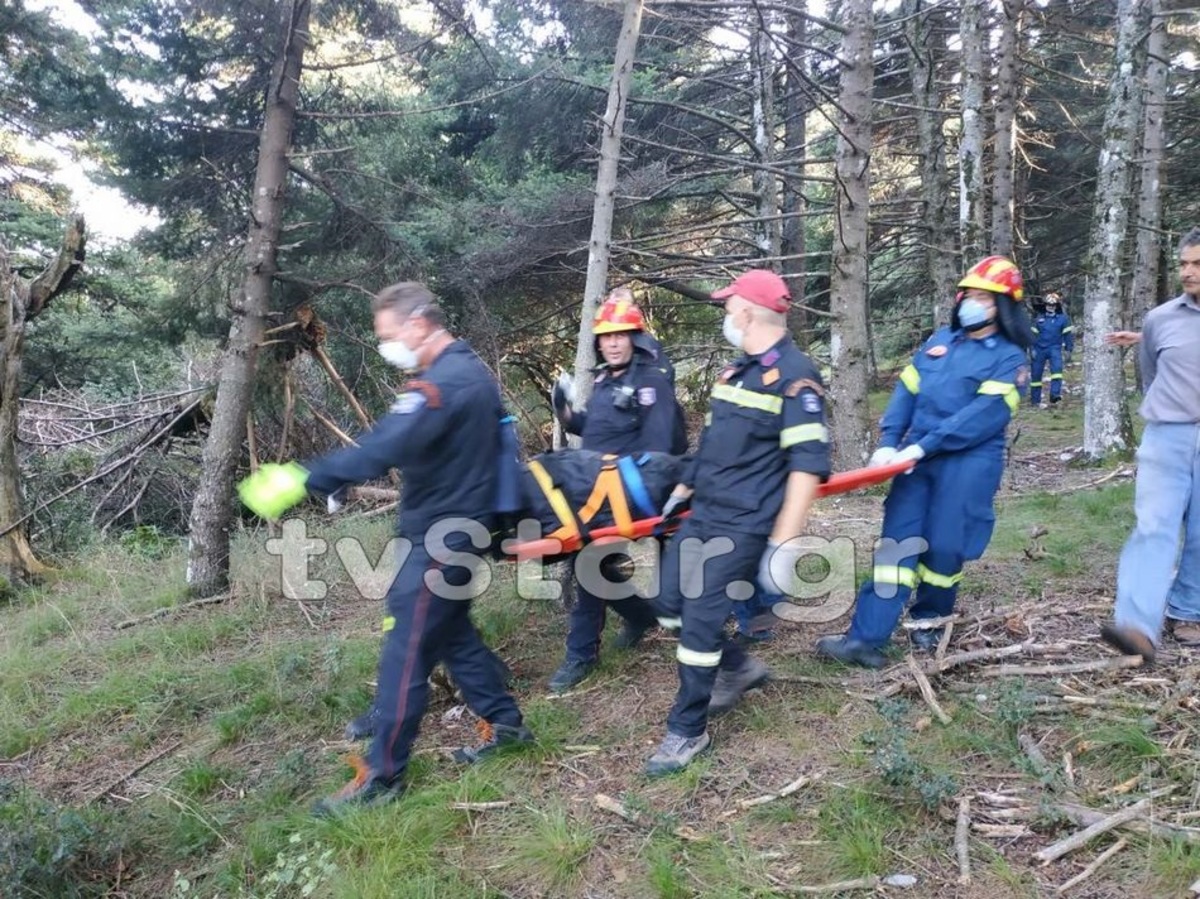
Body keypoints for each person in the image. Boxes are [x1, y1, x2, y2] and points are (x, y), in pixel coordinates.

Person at [238, 282, 532, 812]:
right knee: (450, 634)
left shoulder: (444, 386)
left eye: (387, 335)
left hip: (444, 539)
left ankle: (383, 776)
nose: (385, 346)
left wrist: (304, 476)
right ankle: (506, 724)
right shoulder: (459, 374)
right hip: (450, 530)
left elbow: (385, 446)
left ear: (417, 324)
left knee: (407, 653)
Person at [645, 269, 830, 775]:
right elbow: (711, 445)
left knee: (700, 623)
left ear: (747, 312)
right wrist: (683, 488)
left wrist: (785, 543)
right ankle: (739, 666)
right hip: (703, 514)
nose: (726, 314)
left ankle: (686, 732)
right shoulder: (734, 374)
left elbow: (808, 466)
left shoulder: (797, 378)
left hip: (743, 525)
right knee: (665, 604)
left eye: (730, 307)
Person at [816, 256, 1034, 668]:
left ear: (1002, 305)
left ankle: (929, 623)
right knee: (898, 544)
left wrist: (923, 446)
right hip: (913, 460)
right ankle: (865, 638)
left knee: (945, 548)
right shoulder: (940, 341)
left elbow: (981, 416)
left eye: (982, 297)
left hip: (967, 463)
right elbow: (906, 392)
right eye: (967, 294)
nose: (970, 302)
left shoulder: (1010, 360)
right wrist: (889, 441)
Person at [546, 289, 685, 692]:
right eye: (606, 336)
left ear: (635, 338)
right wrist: (568, 414)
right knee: (593, 564)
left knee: (588, 559)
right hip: (598, 492)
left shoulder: (651, 384)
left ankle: (580, 655)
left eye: (620, 335)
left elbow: (658, 452)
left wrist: (617, 489)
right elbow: (597, 429)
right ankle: (640, 615)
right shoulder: (606, 382)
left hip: (636, 493)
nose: (613, 342)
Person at [1102, 227, 1200, 661]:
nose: (1188, 272)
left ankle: (1188, 610)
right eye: (1184, 264)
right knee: (1153, 527)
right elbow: (1150, 376)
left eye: (1197, 264)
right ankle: (1137, 626)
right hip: (1167, 435)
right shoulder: (1160, 319)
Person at [1029, 291, 1075, 407]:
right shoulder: (1038, 319)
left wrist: (1068, 349)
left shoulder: (1063, 319)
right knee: (1036, 375)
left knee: (1057, 372)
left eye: (1053, 305)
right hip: (1039, 349)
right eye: (1048, 305)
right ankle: (1035, 401)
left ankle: (1054, 396)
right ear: (1045, 305)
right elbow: (1032, 336)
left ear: (1056, 306)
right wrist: (1031, 349)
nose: (1050, 307)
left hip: (1055, 348)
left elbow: (1067, 335)